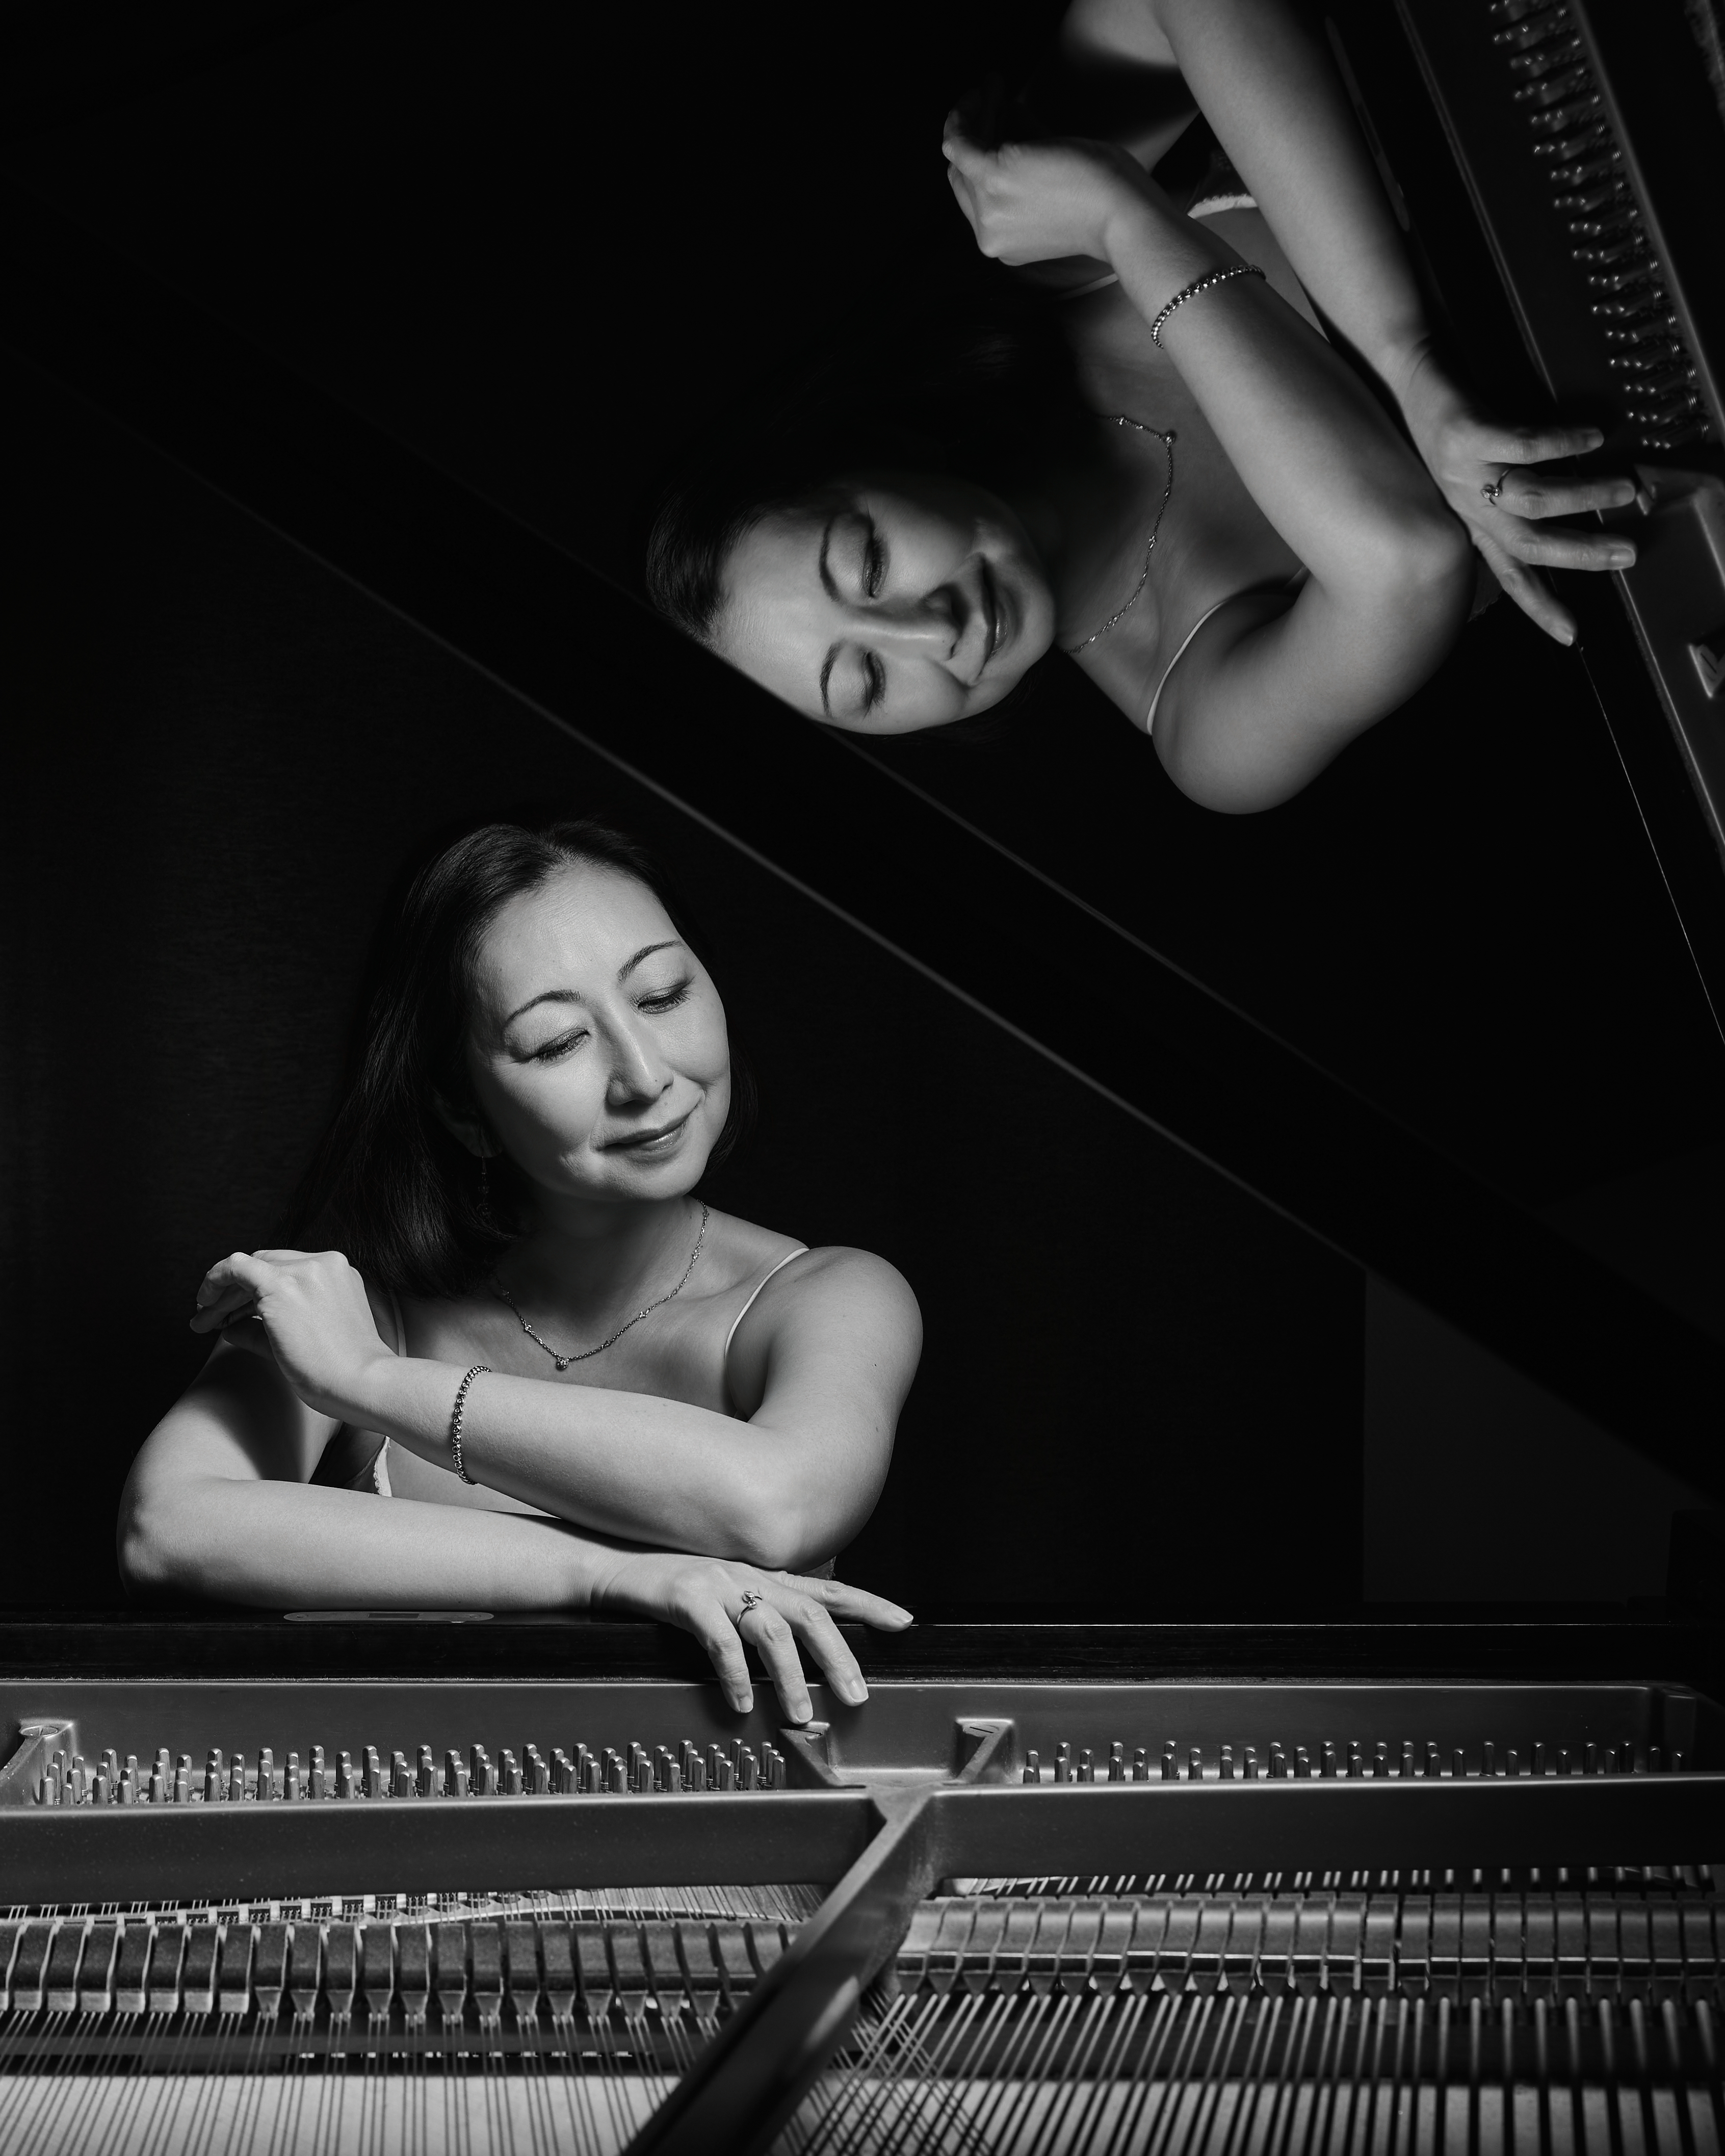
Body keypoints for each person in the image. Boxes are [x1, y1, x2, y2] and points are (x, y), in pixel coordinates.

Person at [647, 0, 1640, 813]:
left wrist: (1400, 355)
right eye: (866, 682)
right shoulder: (1206, 727)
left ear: (865, 453)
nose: (930, 632)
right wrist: (1123, 219)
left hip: (1589, 71)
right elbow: (1404, 566)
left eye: (867, 562)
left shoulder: (1031, 265)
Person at [117, 816, 923, 1724]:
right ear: (462, 1108)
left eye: (662, 995)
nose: (645, 1075)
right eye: (557, 1041)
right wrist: (609, 1574)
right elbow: (166, 1529)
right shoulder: (353, 1303)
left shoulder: (831, 1295)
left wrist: (371, 1379)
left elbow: (777, 1505)